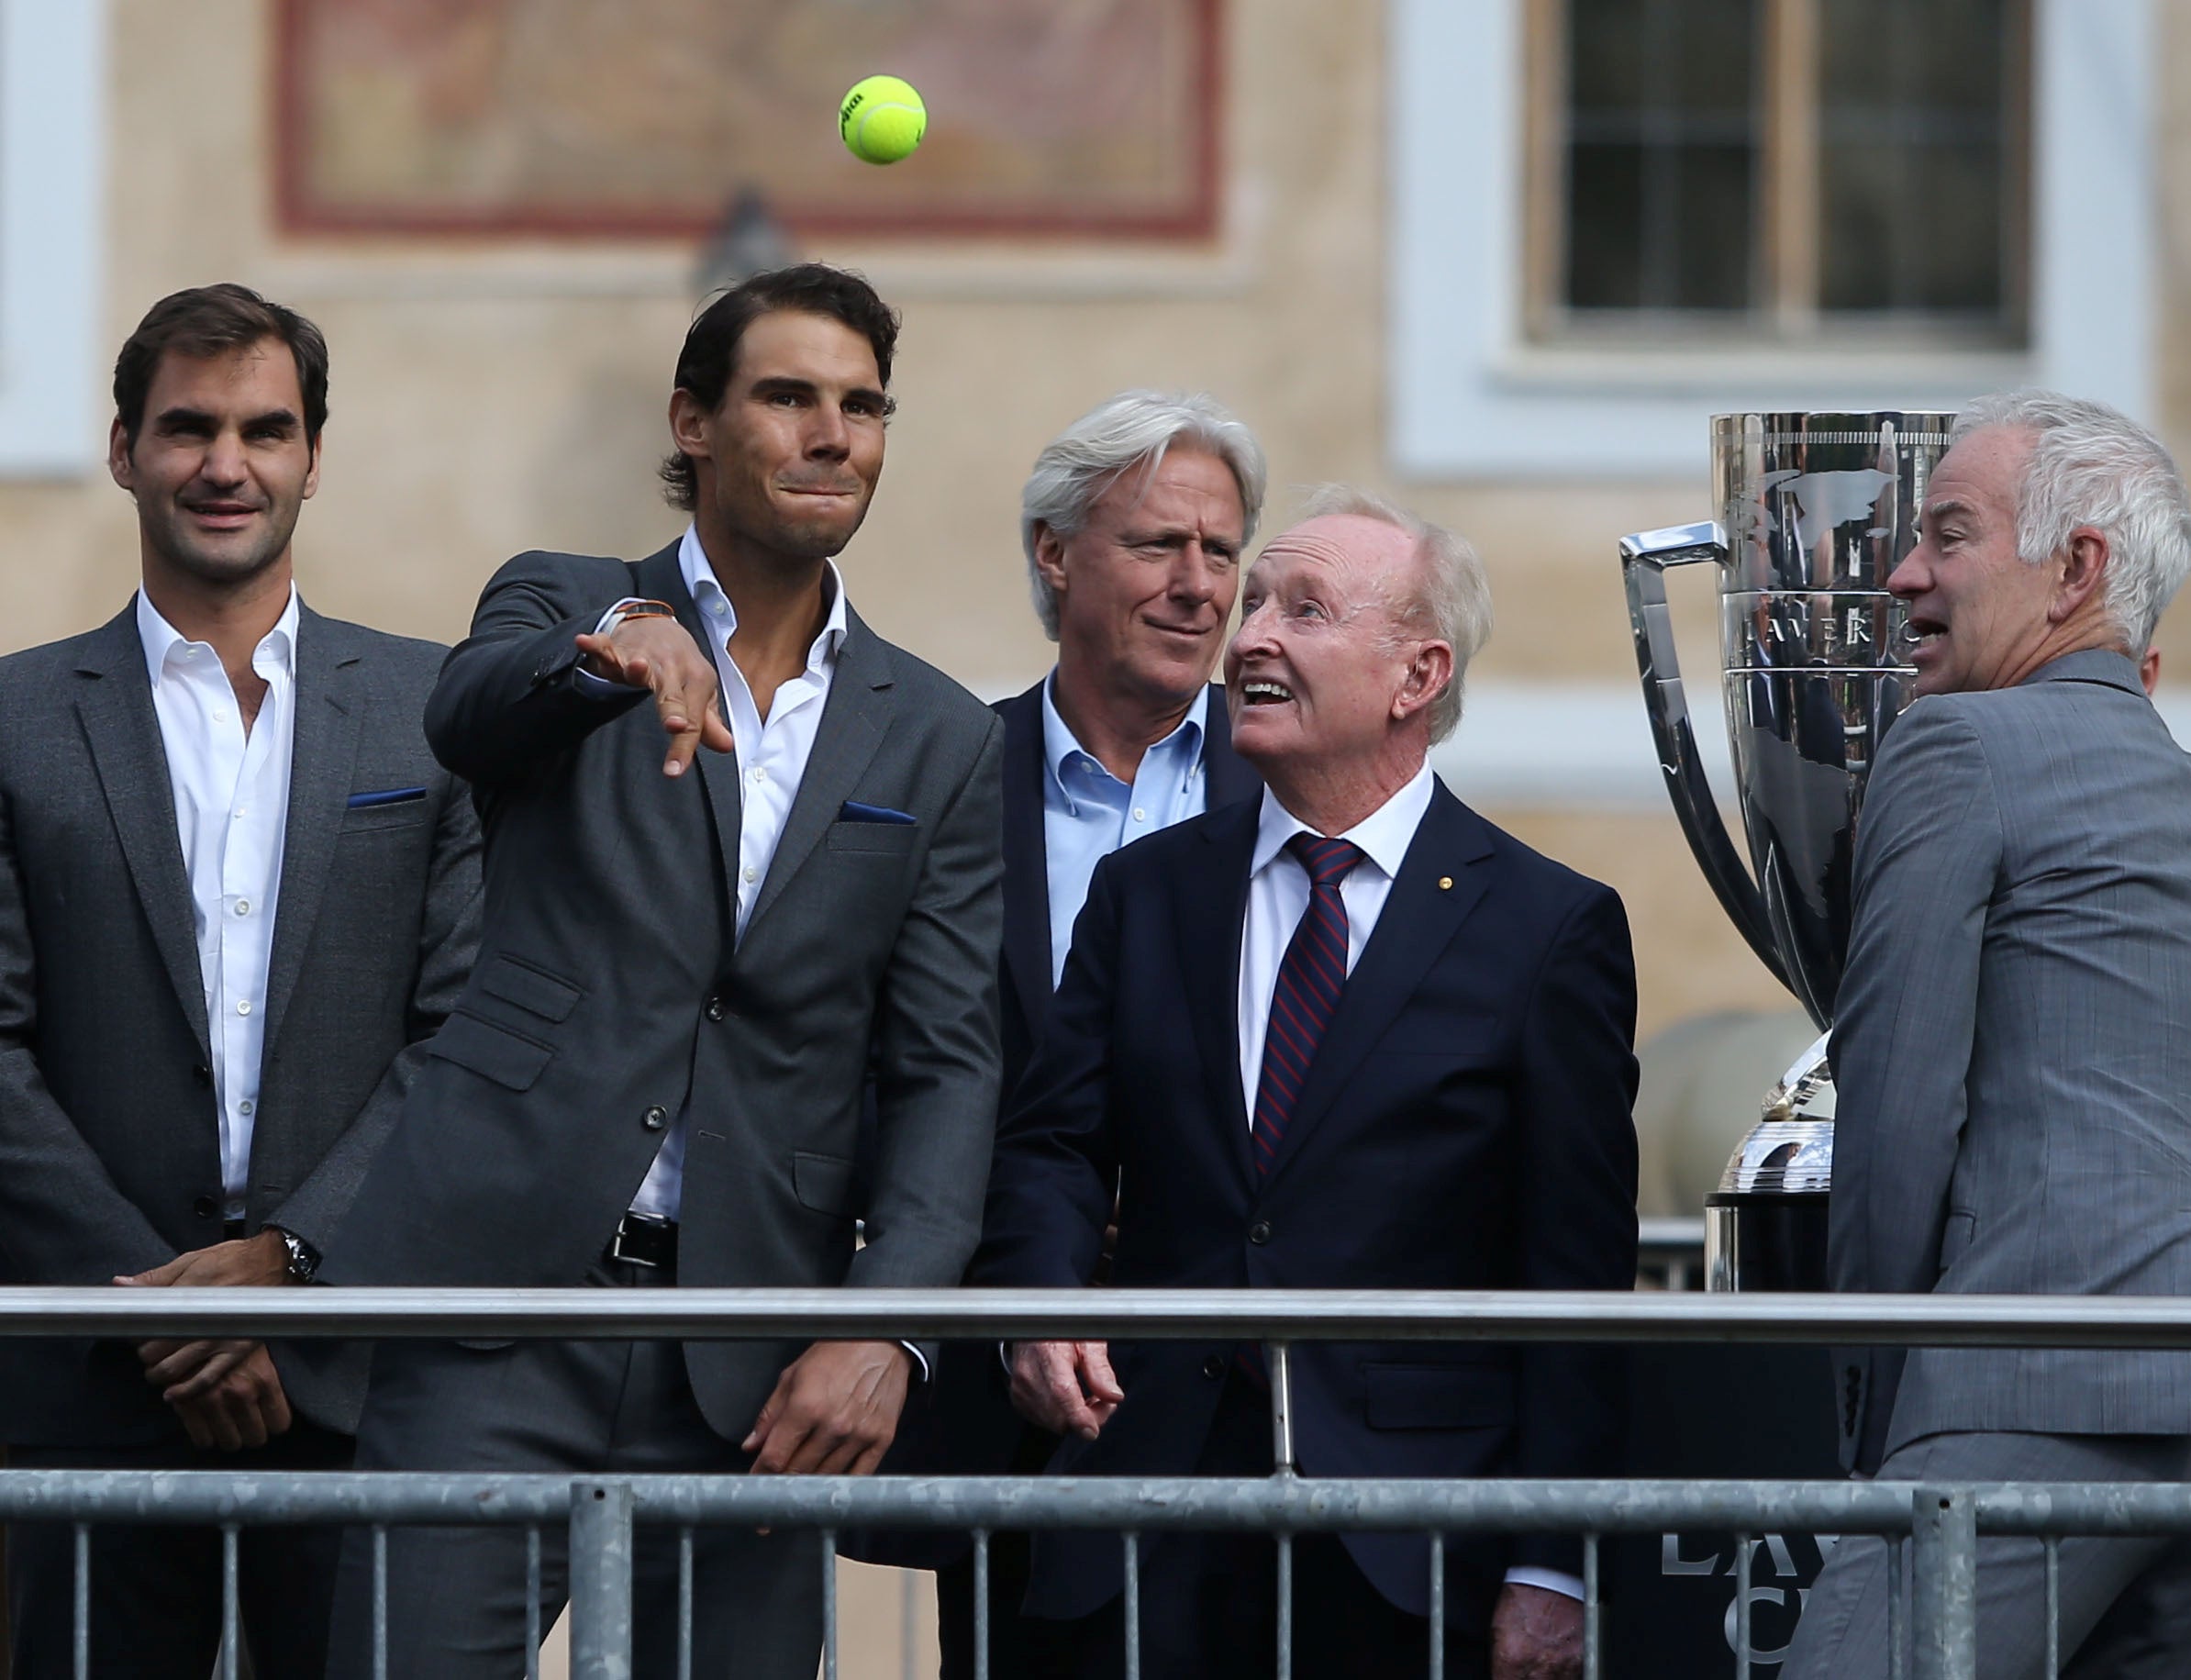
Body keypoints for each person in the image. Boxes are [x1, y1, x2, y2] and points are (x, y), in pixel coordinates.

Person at [318, 264, 1004, 1678]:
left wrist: (892, 1335)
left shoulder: (938, 734)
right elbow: (469, 713)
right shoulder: (567, 601)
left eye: (863, 405)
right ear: (693, 422)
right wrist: (612, 656)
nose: (834, 434)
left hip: (753, 1365)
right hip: (494, 1319)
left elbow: (945, 1067)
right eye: (789, 397)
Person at [975, 488, 1640, 1680]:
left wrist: (1553, 1560)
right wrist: (1039, 1295)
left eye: (1305, 608)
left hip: (1404, 1543)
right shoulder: (1147, 892)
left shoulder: (1546, 929)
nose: (1251, 634)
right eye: (1261, 599)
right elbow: (1053, 1145)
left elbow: (1572, 1274)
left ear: (1415, 674)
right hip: (1144, 1506)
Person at [1783, 392, 2191, 1680]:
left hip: (2036, 1382)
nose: (1901, 575)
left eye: (1946, 536)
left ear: (2076, 570)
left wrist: (1887, 1426)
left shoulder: (1952, 746)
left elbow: (1894, 1115)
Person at [0, 284, 481, 1678]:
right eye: (188, 428)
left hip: (352, 1380)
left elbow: (455, 1039)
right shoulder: (18, 721)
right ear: (121, 449)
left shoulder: (430, 712)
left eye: (266, 430)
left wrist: (289, 1269)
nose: (227, 463)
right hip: (86, 1377)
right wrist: (160, 1311)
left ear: (313, 458)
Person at [895, 390, 1268, 1678]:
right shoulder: (943, 777)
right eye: (1157, 545)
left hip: (1240, 1386)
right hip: (1003, 1393)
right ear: (1056, 555)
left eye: (1221, 553)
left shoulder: (1292, 791)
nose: (1197, 586)